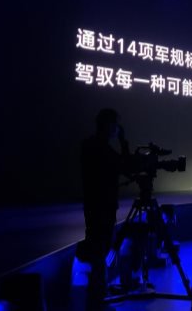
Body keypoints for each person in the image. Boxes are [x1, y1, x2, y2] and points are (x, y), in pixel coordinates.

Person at [78, 108, 132, 299]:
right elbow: (126, 166)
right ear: (109, 125)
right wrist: (124, 142)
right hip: (103, 207)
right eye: (115, 125)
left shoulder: (88, 146)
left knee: (98, 248)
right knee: (100, 249)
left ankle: (98, 293)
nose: (117, 129)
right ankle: (99, 295)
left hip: (94, 205)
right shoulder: (103, 150)